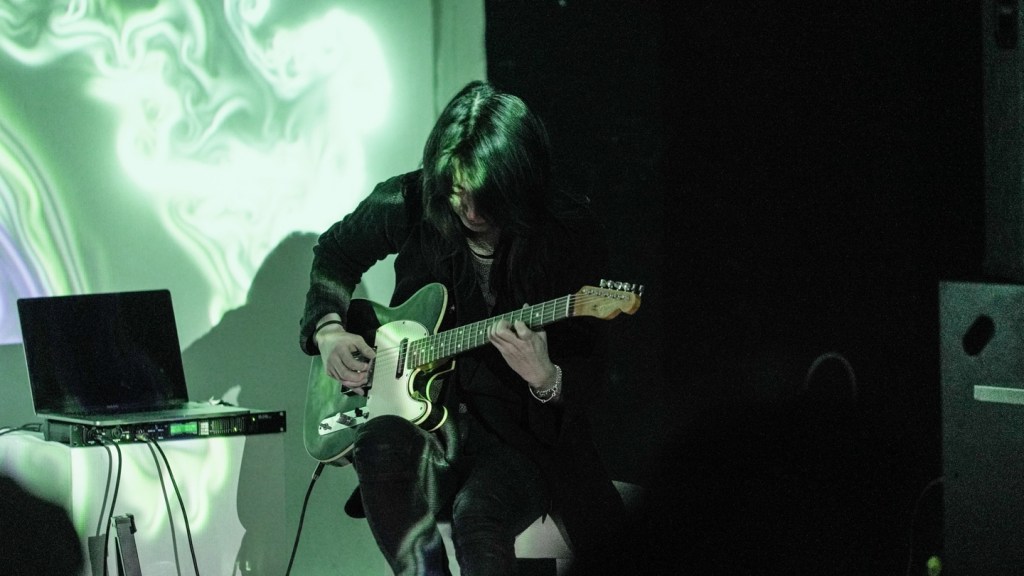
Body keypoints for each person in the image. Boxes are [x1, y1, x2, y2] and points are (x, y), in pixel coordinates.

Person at [299, 80, 624, 575]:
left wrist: (546, 379)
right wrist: (329, 331)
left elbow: (592, 374)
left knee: (478, 516)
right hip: (434, 427)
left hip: (518, 439)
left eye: (486, 199)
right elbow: (335, 253)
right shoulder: (410, 200)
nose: (470, 212)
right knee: (377, 442)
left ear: (518, 186)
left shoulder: (567, 231)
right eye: (457, 193)